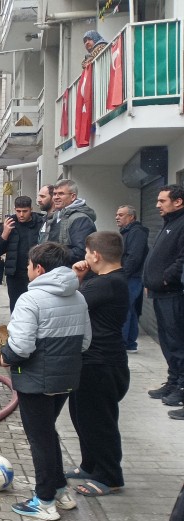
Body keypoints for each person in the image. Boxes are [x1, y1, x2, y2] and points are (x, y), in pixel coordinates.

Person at [0, 242, 91, 521]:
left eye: (28, 265)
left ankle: (44, 501)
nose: (27, 270)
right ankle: (61, 491)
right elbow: (85, 342)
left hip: (36, 381)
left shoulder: (31, 299)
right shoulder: (78, 296)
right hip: (66, 378)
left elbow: (22, 348)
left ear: (39, 268)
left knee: (39, 440)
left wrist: (5, 356)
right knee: (48, 433)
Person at [67, 231, 130, 497]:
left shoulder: (107, 284)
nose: (84, 257)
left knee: (99, 421)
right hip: (92, 361)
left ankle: (110, 476)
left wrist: (76, 276)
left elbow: (71, 301)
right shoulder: (104, 280)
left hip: (102, 363)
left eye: (86, 252)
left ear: (96, 255)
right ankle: (90, 465)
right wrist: (83, 277)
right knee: (82, 416)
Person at [142, 185, 184, 415]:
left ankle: (181, 386)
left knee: (177, 342)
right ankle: (173, 381)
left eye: (162, 201)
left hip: (173, 294)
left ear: (178, 202)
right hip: (160, 293)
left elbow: (181, 259)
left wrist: (166, 279)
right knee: (168, 342)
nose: (157, 205)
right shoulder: (169, 223)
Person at [0, 196, 46, 311]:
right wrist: (5, 233)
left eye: (25, 211)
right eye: (18, 211)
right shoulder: (9, 224)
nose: (21, 215)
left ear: (31, 209)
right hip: (15, 275)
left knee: (37, 307)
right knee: (17, 308)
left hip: (37, 273)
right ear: (14, 209)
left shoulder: (41, 223)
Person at [116, 205, 149, 352]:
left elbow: (134, 257)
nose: (117, 217)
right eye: (117, 214)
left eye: (121, 215)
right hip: (130, 276)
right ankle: (130, 343)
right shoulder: (127, 232)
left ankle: (123, 343)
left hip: (132, 278)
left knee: (125, 308)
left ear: (131, 217)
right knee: (130, 309)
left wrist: (123, 275)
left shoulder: (137, 232)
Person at [44, 179, 98, 265]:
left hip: (73, 273)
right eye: (54, 194)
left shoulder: (81, 219)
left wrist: (51, 255)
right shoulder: (56, 216)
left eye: (61, 194)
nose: (56, 197)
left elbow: (81, 252)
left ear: (73, 196)